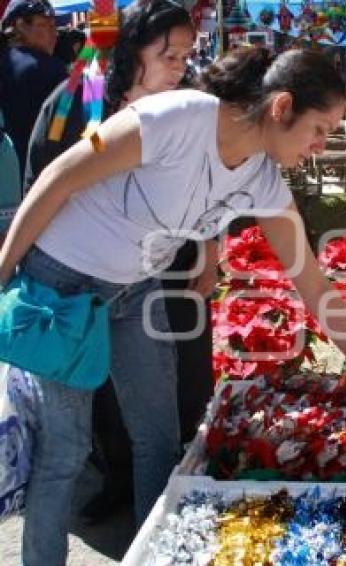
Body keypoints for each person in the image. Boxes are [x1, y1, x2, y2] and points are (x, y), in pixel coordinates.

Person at [0, 46, 346, 564]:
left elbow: (313, 285)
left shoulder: (263, 180)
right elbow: (57, 176)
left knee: (161, 437)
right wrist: (2, 271)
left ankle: (156, 554)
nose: (321, 145)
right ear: (282, 106)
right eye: (320, 129)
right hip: (63, 281)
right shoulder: (173, 117)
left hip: (133, 289)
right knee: (65, 450)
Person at [23, 0, 198, 525]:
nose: (180, 66)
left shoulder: (184, 104)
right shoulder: (86, 97)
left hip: (151, 277)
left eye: (184, 56)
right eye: (168, 54)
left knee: (158, 419)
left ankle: (151, 525)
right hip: (75, 280)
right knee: (78, 429)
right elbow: (53, 173)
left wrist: (207, 248)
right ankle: (114, 481)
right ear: (131, 49)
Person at [0, 0, 66, 182]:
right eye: (44, 25)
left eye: (55, 25)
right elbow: (64, 131)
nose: (55, 33)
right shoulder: (52, 70)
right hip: (39, 181)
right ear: (20, 27)